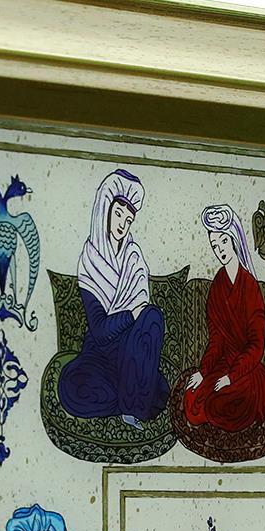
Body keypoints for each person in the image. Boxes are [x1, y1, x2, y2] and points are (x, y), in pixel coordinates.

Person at [58, 170, 169, 429]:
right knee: (72, 388)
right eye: (118, 214)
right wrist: (131, 314)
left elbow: (144, 322)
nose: (122, 224)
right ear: (105, 210)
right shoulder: (90, 259)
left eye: (128, 220)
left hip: (130, 352)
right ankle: (132, 398)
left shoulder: (134, 258)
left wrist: (139, 316)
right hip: (99, 356)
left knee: (153, 316)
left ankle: (131, 401)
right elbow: (99, 331)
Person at [183, 204, 265, 432]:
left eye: (224, 241)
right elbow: (216, 340)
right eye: (214, 245)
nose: (220, 250)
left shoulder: (250, 286)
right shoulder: (217, 285)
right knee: (193, 401)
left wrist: (231, 377)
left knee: (220, 405)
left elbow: (256, 345)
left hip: (246, 369)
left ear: (234, 239)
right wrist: (204, 371)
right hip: (224, 362)